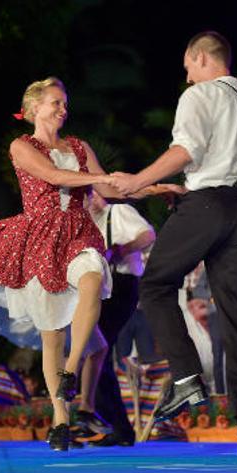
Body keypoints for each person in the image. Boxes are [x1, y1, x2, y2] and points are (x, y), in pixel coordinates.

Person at [109, 31, 237, 459]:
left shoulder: (199, 95)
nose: (186, 78)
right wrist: (186, 189)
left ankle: (186, 379)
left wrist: (137, 181)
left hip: (210, 204)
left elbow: (187, 149)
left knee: (156, 284)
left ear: (202, 58)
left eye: (187, 68)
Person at [0, 77, 135, 451]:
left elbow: (111, 190)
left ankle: (72, 368)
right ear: (33, 108)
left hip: (79, 231)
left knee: (93, 278)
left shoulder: (79, 147)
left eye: (64, 103)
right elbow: (52, 176)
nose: (63, 109)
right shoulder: (22, 146)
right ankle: (60, 419)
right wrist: (99, 177)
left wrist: (156, 186)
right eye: (55, 103)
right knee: (51, 333)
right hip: (42, 239)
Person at [78, 190, 155, 446]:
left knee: (95, 350)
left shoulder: (118, 212)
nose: (94, 200)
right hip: (101, 289)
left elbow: (148, 235)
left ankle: (94, 415)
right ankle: (119, 427)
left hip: (122, 285)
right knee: (97, 353)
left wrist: (120, 250)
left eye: (97, 194)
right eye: (89, 196)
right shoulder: (88, 224)